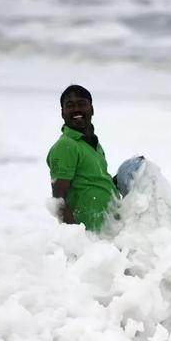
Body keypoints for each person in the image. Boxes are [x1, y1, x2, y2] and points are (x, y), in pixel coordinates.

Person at [47, 84, 121, 231]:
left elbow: (94, 182)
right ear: (62, 113)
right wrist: (77, 240)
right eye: (70, 105)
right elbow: (58, 200)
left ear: (91, 109)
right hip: (89, 237)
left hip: (109, 230)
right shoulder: (66, 145)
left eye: (81, 104)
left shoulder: (93, 144)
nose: (76, 109)